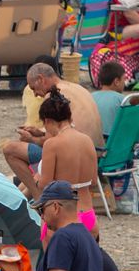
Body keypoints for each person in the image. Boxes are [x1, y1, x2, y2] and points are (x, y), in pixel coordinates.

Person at [1, 64, 102, 203]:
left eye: (33, 88)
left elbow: (51, 141)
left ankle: (37, 198)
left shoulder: (54, 96)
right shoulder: (77, 87)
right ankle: (20, 199)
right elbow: (66, 126)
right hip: (94, 150)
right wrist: (39, 131)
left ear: (40, 79)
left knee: (10, 150)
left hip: (72, 153)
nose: (36, 94)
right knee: (32, 177)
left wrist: (31, 139)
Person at [33, 92, 97, 234]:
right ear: (70, 117)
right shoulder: (87, 140)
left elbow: (46, 185)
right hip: (87, 213)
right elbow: (93, 182)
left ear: (48, 121)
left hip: (63, 216)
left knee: (55, 255)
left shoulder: (52, 144)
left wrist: (37, 180)